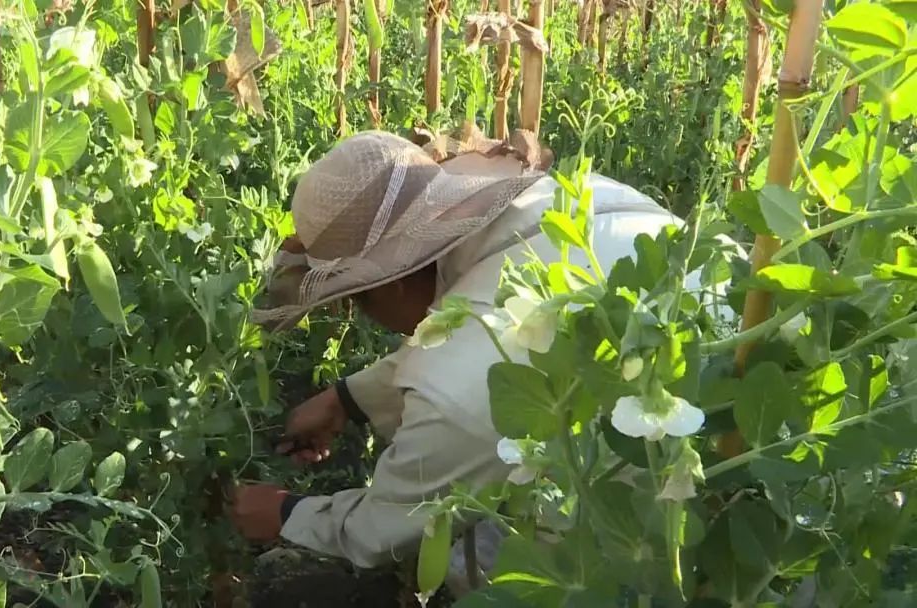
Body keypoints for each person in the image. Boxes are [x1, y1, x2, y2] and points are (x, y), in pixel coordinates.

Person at [229, 129, 719, 591]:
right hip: (742, 428)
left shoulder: (456, 385)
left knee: (480, 540)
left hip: (684, 532)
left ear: (392, 280)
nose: (364, 317)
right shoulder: (566, 200)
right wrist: (347, 399)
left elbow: (387, 528)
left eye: (358, 299)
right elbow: (479, 333)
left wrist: (288, 514)